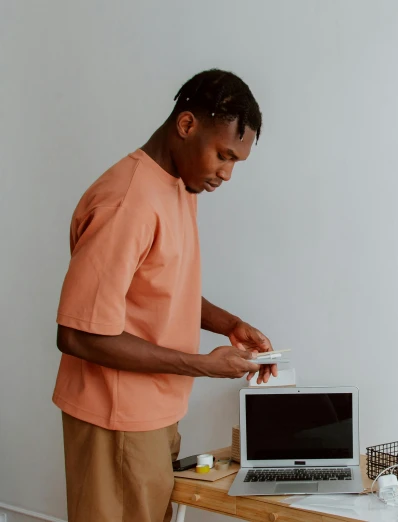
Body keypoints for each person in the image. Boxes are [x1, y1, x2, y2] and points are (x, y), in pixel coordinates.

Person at [52, 69, 276, 522]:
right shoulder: (127, 202)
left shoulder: (178, 184)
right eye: (223, 155)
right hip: (115, 421)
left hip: (151, 414)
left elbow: (160, 288)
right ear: (187, 125)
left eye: (236, 163)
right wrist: (203, 366)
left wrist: (228, 324)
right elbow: (77, 334)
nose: (227, 174)